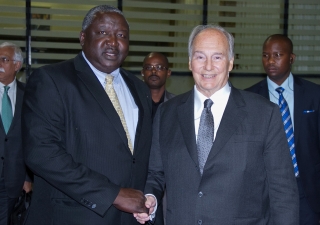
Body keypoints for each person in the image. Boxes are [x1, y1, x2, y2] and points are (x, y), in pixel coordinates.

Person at [134, 25, 299, 225]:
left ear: (230, 63)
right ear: (189, 62)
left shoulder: (264, 114)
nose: (208, 66)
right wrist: (150, 197)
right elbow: (156, 173)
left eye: (217, 57)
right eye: (200, 57)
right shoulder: (167, 113)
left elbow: (283, 192)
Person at [22, 5, 153, 225]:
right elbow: (42, 153)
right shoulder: (52, 80)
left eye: (121, 35)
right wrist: (112, 194)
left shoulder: (139, 89)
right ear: (83, 37)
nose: (113, 41)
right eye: (102, 32)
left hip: (131, 219)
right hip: (73, 216)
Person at [245, 34, 320, 224]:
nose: (270, 61)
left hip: (308, 190)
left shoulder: (314, 95)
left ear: (292, 58)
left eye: (278, 55)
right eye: (265, 55)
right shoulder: (249, 99)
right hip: (266, 191)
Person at [0, 42, 32, 225]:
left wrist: (27, 177)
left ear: (17, 65)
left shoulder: (28, 95)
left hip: (13, 178)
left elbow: (31, 138)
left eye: (4, 60)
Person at [141, 52, 175, 119]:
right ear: (142, 73)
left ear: (168, 73)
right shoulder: (134, 101)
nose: (153, 71)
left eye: (159, 67)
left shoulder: (176, 103)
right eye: (148, 67)